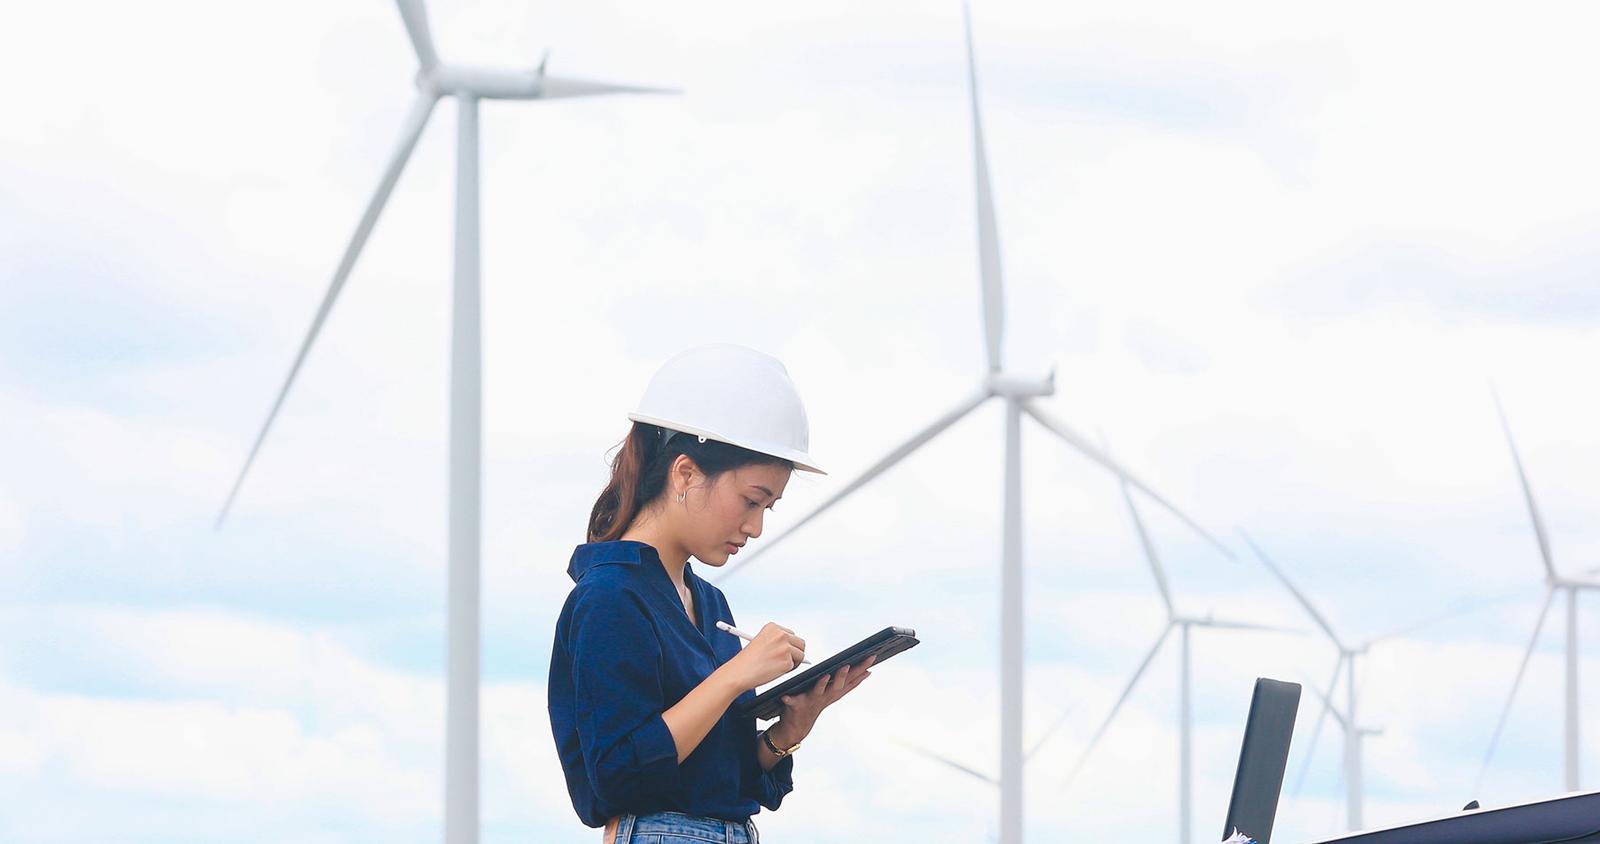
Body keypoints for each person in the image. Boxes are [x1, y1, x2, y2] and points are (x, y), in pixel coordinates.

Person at [548, 344, 876, 844]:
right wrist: (733, 676)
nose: (758, 526)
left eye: (770, 507)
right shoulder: (609, 597)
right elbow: (617, 776)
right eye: (751, 500)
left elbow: (715, 776)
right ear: (685, 474)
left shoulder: (710, 604)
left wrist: (789, 732)